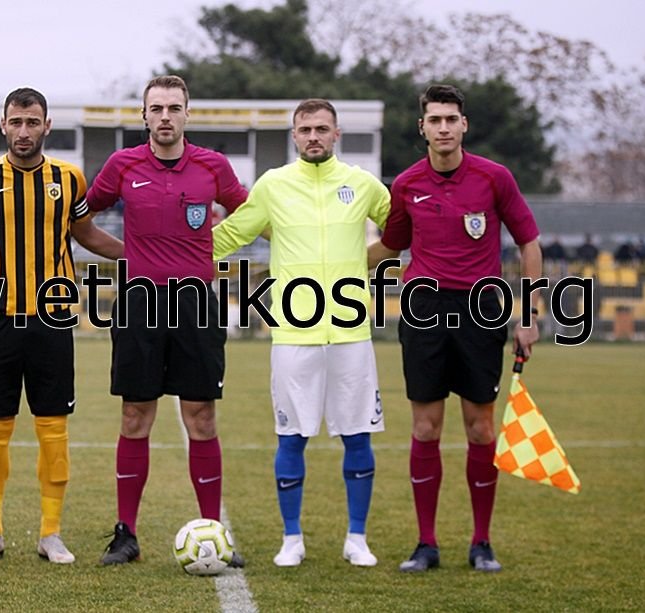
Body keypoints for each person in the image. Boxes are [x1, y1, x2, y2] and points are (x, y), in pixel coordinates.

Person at [368, 84, 542, 573]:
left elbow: (529, 243)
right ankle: (426, 544)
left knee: (480, 427)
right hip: (423, 308)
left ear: (464, 125)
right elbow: (390, 247)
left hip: (480, 309)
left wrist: (529, 315)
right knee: (425, 427)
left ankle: (481, 542)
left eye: (451, 119)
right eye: (434, 120)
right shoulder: (406, 184)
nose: (443, 128)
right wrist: (326, 264)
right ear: (421, 127)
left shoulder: (494, 178)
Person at [213, 99, 390, 568]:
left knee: (358, 436)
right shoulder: (273, 185)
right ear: (294, 136)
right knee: (291, 437)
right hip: (293, 334)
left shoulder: (362, 184)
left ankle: (357, 538)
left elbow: (403, 230)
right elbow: (232, 235)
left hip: (351, 332)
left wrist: (364, 261)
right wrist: (173, 257)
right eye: (305, 129)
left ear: (336, 134)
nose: (314, 136)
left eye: (322, 129)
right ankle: (291, 538)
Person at [0, 88, 122, 565]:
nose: (23, 131)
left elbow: (86, 234)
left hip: (53, 317)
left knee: (53, 428)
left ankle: (51, 533)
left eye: (32, 122)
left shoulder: (68, 179)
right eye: (16, 122)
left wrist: (141, 256)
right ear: (3, 126)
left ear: (47, 125)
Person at [86, 75, 249, 566]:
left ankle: (213, 530)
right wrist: (127, 255)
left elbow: (249, 214)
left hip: (196, 301)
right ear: (144, 116)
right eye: (156, 108)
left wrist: (210, 249)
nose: (164, 117)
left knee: (201, 415)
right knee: (135, 415)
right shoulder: (122, 165)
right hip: (140, 300)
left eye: (173, 108)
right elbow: (80, 219)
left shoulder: (212, 166)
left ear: (186, 114)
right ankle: (126, 534)